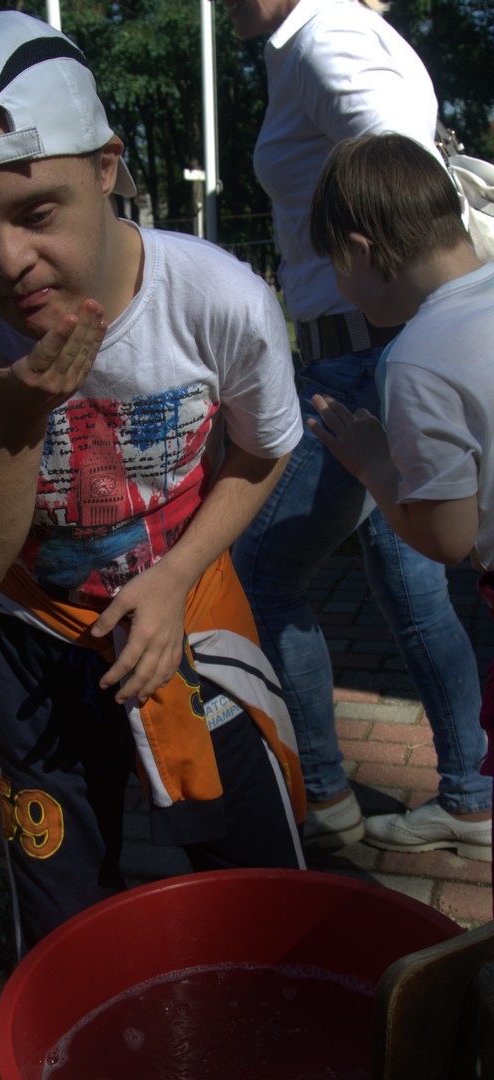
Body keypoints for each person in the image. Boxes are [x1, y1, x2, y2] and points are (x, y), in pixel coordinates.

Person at [0, 10, 306, 955]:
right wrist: (19, 418)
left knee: (255, 888)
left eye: (38, 213)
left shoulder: (216, 298)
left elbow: (264, 449)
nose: (8, 264)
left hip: (191, 605)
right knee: (63, 913)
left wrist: (175, 575)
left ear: (107, 166)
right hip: (31, 633)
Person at [219, 0, 492, 858]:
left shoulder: (327, 37)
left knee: (261, 571)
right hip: (376, 344)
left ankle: (322, 794)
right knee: (413, 590)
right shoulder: (307, 41)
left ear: (362, 252)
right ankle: (471, 793)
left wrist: (378, 450)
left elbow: (396, 167)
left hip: (362, 354)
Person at [307, 131, 494, 858]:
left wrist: (373, 465)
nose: (338, 284)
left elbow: (447, 539)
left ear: (361, 250)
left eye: (333, 264)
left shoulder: (418, 357)